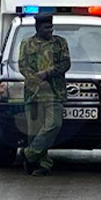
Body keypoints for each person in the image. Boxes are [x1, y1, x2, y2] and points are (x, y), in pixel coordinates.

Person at [18, 13, 71, 177]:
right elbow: (23, 66)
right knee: (34, 131)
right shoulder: (26, 44)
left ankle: (29, 154)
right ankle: (42, 165)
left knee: (54, 124)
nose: (50, 30)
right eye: (46, 27)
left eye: (51, 26)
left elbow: (65, 64)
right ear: (37, 27)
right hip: (34, 94)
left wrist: (47, 74)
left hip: (55, 93)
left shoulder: (60, 43)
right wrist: (37, 81)